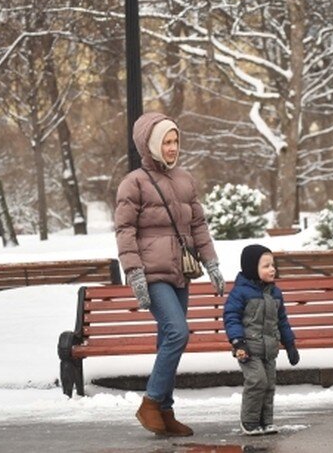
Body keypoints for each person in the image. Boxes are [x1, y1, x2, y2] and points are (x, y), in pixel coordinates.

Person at [115, 112, 225, 437]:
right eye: (166, 141)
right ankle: (150, 402)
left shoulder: (185, 179)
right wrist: (134, 272)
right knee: (178, 332)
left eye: (176, 140)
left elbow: (198, 226)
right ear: (151, 144)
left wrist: (212, 263)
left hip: (180, 272)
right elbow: (124, 230)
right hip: (152, 273)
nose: (173, 147)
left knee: (168, 338)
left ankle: (165, 411)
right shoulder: (133, 182)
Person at [223, 244, 300, 435]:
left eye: (272, 265)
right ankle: (249, 422)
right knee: (257, 381)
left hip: (269, 349)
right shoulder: (240, 293)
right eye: (266, 266)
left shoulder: (275, 293)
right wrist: (237, 341)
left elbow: (282, 321)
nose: (272, 269)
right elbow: (231, 317)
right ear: (251, 268)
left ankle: (266, 421)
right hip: (247, 348)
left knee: (268, 385)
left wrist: (290, 344)